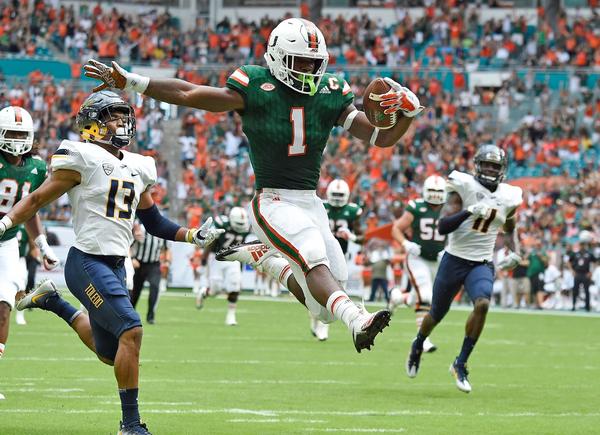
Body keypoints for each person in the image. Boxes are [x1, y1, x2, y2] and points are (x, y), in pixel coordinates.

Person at [84, 17, 423, 352]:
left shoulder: (331, 93)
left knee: (324, 303)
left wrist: (408, 112)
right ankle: (358, 321)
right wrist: (135, 82)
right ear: (277, 56)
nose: (307, 71)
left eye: (314, 63)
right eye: (300, 62)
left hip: (309, 200)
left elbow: (381, 138)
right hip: (272, 201)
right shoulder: (255, 86)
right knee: (313, 256)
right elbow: (190, 92)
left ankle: (267, 259)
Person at [0, 91, 222, 433]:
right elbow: (36, 199)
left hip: (117, 265)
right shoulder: (80, 157)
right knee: (131, 329)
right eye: (113, 117)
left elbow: (154, 222)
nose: (122, 123)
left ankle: (54, 302)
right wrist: (4, 223)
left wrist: (192, 235)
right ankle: (130, 425)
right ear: (91, 124)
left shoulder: (138, 164)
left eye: (124, 117)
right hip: (87, 260)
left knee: (111, 352)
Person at [405, 145, 523, 393]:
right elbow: (443, 226)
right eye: (487, 164)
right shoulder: (464, 187)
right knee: (435, 315)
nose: (490, 169)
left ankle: (461, 362)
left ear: (503, 170)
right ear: (478, 166)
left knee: (482, 304)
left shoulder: (509, 196)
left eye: (495, 166)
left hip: (480, 263)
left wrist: (516, 251)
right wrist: (468, 211)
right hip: (454, 259)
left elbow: (510, 227)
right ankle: (418, 344)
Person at [0, 106, 59, 400]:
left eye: (21, 134)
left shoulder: (36, 168)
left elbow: (31, 208)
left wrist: (42, 245)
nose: (16, 139)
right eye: (11, 133)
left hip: (8, 242)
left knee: (4, 305)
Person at [390, 175, 447, 353]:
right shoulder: (416, 207)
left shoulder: (450, 209)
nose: (436, 195)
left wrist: (450, 248)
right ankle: (423, 339)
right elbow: (396, 228)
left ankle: (398, 298)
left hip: (437, 260)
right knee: (426, 297)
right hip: (417, 258)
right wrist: (406, 244)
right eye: (432, 191)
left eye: (439, 191)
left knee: (418, 298)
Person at [310, 179, 363, 341]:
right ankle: (315, 320)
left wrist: (352, 236)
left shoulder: (353, 211)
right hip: (320, 253)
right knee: (315, 291)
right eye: (335, 195)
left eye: (341, 195)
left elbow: (363, 237)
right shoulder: (320, 207)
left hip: (340, 256)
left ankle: (323, 326)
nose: (338, 198)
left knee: (335, 289)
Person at [198, 207, 252, 326]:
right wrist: (203, 260)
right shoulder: (221, 223)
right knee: (215, 290)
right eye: (239, 223)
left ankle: (231, 316)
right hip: (217, 258)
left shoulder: (246, 227)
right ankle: (204, 292)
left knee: (235, 286)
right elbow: (210, 244)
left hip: (234, 259)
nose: (241, 226)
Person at [130, 225, 170, 324]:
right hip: (139, 264)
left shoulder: (162, 232)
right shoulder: (141, 228)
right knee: (135, 291)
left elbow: (166, 249)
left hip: (154, 264)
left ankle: (150, 316)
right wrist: (132, 258)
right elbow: (129, 245)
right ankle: (130, 313)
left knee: (155, 287)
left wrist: (167, 261)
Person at [567, 230, 596, 312]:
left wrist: (591, 272)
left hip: (585, 274)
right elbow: (568, 261)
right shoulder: (576, 254)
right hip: (577, 273)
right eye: (581, 244)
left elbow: (595, 262)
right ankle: (573, 305)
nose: (582, 246)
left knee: (587, 291)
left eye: (583, 244)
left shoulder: (589, 254)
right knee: (575, 290)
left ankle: (587, 307)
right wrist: (572, 271)